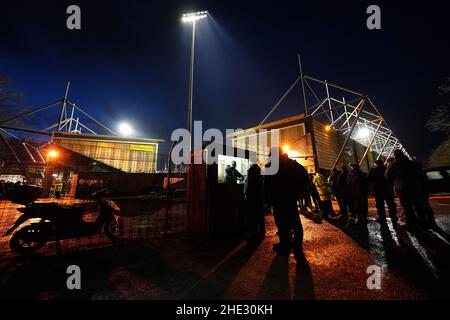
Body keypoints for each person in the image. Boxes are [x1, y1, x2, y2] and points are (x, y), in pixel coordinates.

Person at [264, 149, 309, 263]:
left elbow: (266, 184)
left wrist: (265, 200)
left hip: (278, 199)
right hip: (291, 198)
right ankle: (297, 246)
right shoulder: (293, 164)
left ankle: (284, 246)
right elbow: (305, 176)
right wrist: (300, 193)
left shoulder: (271, 165)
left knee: (282, 223)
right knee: (295, 222)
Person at [385, 149, 426, 227]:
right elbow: (419, 170)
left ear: (395, 155)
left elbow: (387, 175)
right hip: (414, 186)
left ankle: (411, 223)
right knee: (417, 204)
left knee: (407, 205)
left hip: (401, 187)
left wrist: (395, 180)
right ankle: (422, 221)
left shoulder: (393, 164)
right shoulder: (411, 163)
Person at [244, 163, 265, 240]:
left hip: (252, 199)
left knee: (252, 217)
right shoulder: (260, 177)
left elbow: (248, 187)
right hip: (259, 199)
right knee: (260, 217)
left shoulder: (251, 176)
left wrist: (245, 194)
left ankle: (253, 233)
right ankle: (262, 233)